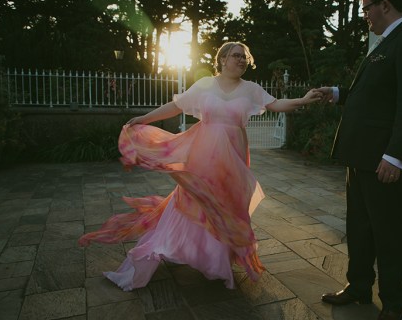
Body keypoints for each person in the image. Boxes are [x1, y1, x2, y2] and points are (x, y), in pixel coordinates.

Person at [78, 41, 322, 291]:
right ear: (223, 59)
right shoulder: (205, 85)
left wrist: (303, 100)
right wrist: (144, 118)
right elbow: (176, 106)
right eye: (236, 56)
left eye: (245, 58)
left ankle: (216, 257)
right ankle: (183, 247)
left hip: (233, 157)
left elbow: (277, 104)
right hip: (203, 153)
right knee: (196, 198)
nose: (241, 61)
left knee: (227, 203)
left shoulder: (251, 89)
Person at [317, 0, 402, 320]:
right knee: (360, 228)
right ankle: (358, 287)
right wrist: (337, 93)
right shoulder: (385, 43)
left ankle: (394, 303)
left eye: (367, 7)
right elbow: (373, 96)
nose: (365, 15)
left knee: (389, 234)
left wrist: (396, 157)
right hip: (363, 158)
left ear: (385, 5)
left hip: (385, 162)